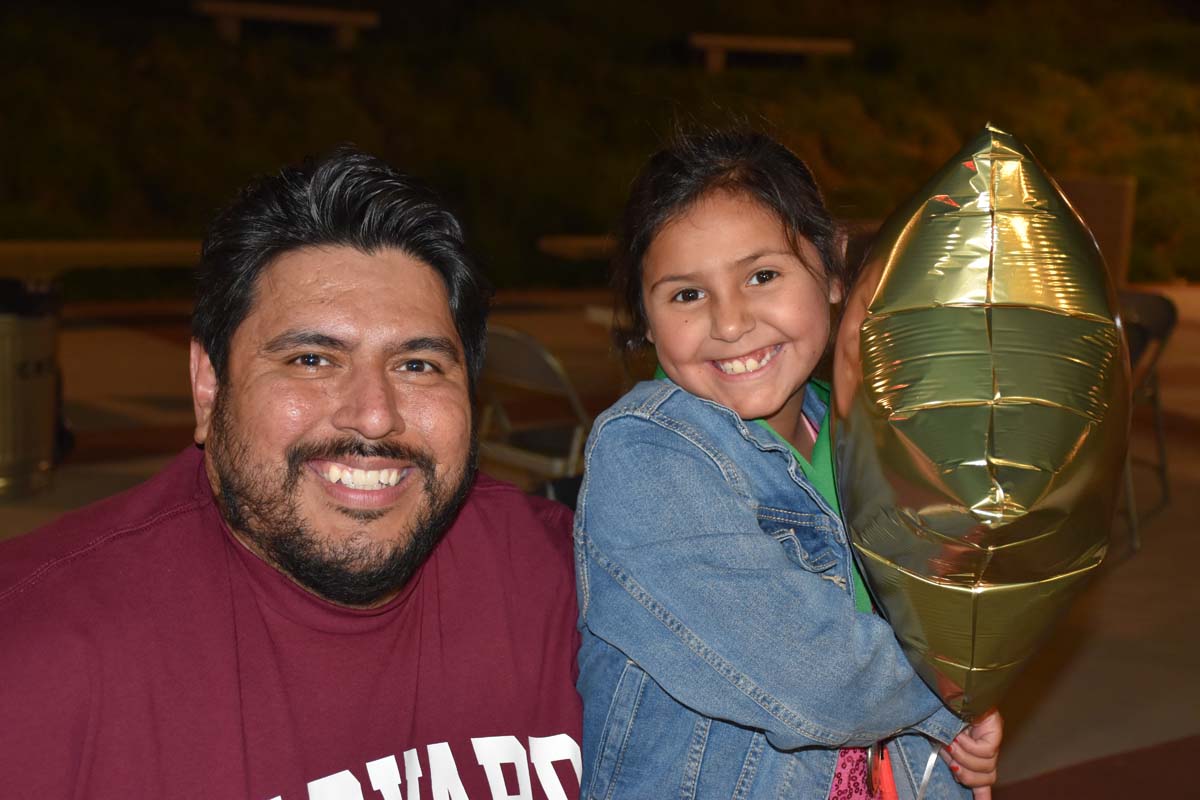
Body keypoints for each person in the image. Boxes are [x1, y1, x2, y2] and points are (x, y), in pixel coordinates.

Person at [0, 148, 583, 799]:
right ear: (208, 387)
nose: (373, 416)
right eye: (311, 359)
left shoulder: (572, 585)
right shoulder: (33, 655)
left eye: (417, 365)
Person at [574, 129, 1002, 800]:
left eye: (762, 275)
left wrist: (957, 738)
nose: (732, 322)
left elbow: (924, 640)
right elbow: (819, 677)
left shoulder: (873, 443)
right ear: (646, 320)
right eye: (686, 295)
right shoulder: (647, 455)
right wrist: (951, 691)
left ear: (833, 269)